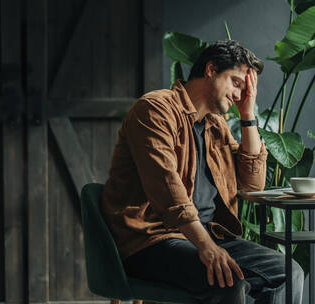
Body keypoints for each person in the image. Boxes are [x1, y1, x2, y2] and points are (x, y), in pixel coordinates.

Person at [101, 40, 304, 303]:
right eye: (236, 82)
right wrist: (206, 246)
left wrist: (247, 114)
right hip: (151, 241)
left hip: (209, 235)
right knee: (227, 281)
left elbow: (253, 185)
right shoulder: (155, 109)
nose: (238, 94)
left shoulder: (215, 125)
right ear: (210, 69)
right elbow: (168, 190)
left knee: (287, 272)